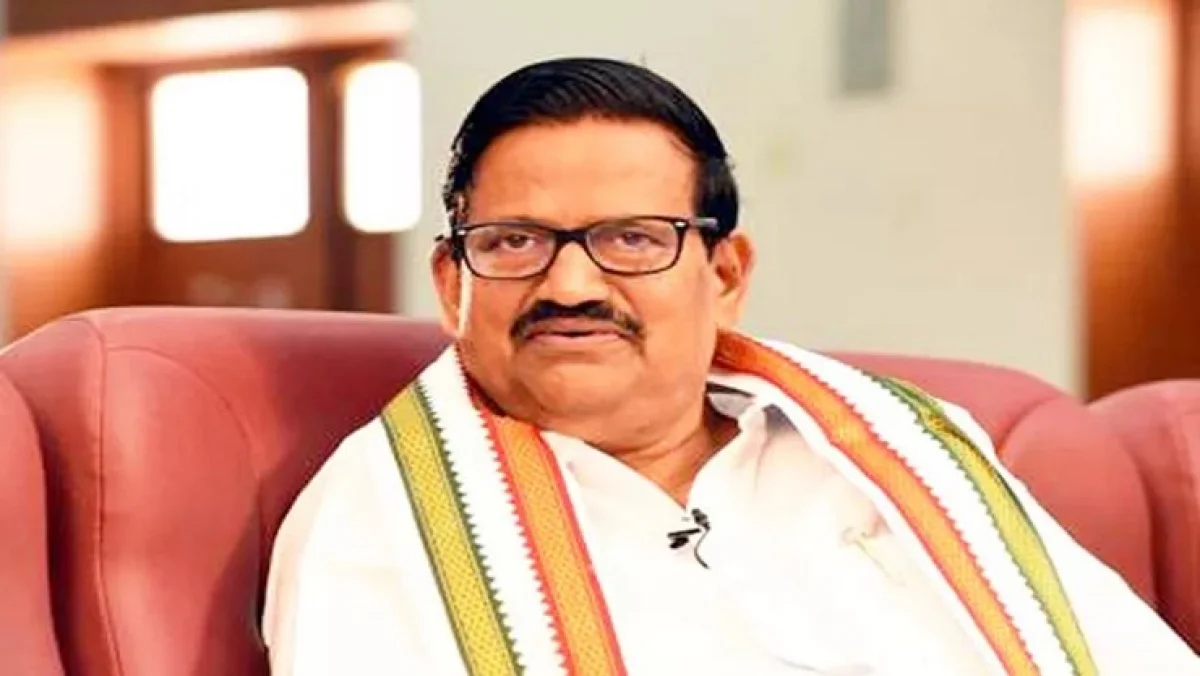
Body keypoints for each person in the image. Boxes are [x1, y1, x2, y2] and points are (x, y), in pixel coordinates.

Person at [262, 57, 1198, 675]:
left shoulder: (909, 454)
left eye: (633, 238)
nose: (571, 283)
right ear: (451, 281)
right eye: (514, 242)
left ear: (725, 275)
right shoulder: (384, 519)